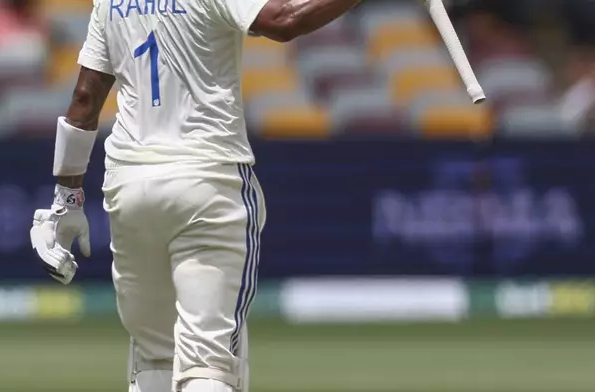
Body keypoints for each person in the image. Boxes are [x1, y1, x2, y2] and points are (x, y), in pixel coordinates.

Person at [29, 0, 360, 391]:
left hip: (130, 186)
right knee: (209, 360)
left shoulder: (110, 2)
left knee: (154, 354)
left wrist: (66, 198)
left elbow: (85, 99)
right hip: (207, 179)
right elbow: (285, 20)